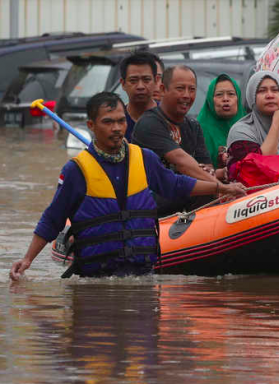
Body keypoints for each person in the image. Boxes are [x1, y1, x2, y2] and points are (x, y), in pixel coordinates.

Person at [9, 92, 245, 281]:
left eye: (121, 121)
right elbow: (53, 218)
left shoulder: (145, 158)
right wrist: (28, 260)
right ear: (91, 125)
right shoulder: (76, 170)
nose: (117, 128)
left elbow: (176, 185)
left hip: (142, 276)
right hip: (94, 281)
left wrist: (220, 188)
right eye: (108, 122)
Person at [131, 65, 221, 216]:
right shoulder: (149, 123)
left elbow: (206, 169)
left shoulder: (193, 126)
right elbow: (181, 161)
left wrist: (216, 176)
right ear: (163, 89)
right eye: (180, 88)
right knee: (206, 188)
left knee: (207, 190)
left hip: (184, 211)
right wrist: (221, 187)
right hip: (151, 207)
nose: (187, 95)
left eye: (191, 90)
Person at [226, 71, 279, 176]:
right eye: (262, 91)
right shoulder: (241, 130)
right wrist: (276, 125)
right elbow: (259, 169)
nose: (270, 95)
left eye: (275, 90)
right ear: (252, 96)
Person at [197, 74, 245, 168]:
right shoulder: (198, 130)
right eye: (219, 95)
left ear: (238, 98)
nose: (225, 99)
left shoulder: (249, 127)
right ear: (210, 100)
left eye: (231, 94)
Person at [119, 52, 159, 142]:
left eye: (146, 80)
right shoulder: (116, 122)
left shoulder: (169, 117)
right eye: (133, 80)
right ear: (123, 83)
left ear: (156, 81)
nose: (140, 86)